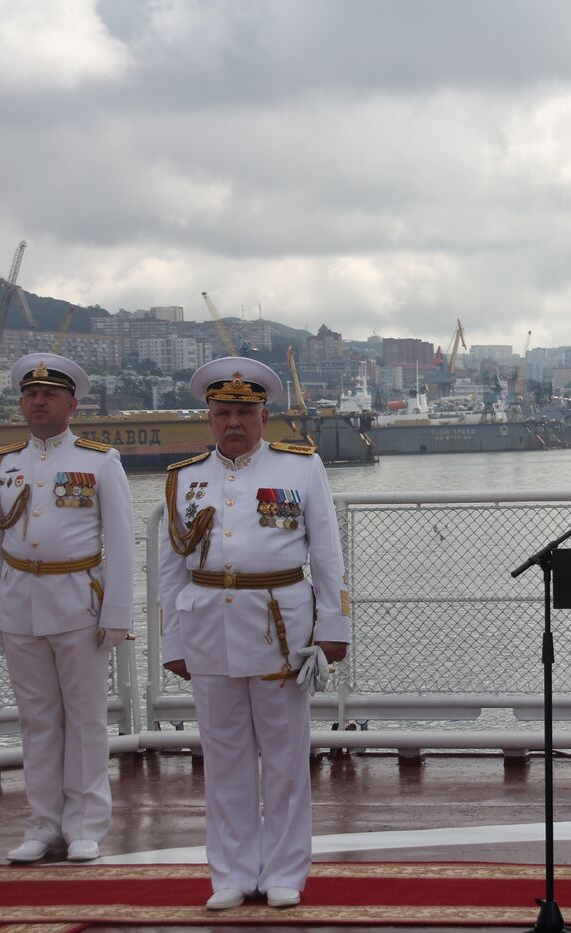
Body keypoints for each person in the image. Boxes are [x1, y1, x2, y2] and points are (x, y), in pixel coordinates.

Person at [158, 357, 351, 911]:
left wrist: (332, 626)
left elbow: (326, 553)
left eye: (244, 411)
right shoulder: (185, 477)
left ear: (264, 415)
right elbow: (172, 568)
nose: (233, 422)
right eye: (223, 413)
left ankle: (286, 870)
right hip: (207, 623)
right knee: (223, 756)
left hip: (279, 626)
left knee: (286, 753)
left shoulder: (299, 467)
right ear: (210, 418)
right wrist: (172, 641)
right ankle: (233, 873)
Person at [0, 353, 134, 864]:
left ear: (71, 404)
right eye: (29, 394)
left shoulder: (99, 461)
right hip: (19, 603)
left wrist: (116, 615)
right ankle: (42, 825)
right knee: (37, 721)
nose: (38, 401)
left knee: (85, 719)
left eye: (49, 395)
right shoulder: (4, 463)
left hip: (77, 602)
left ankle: (86, 824)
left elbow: (122, 544)